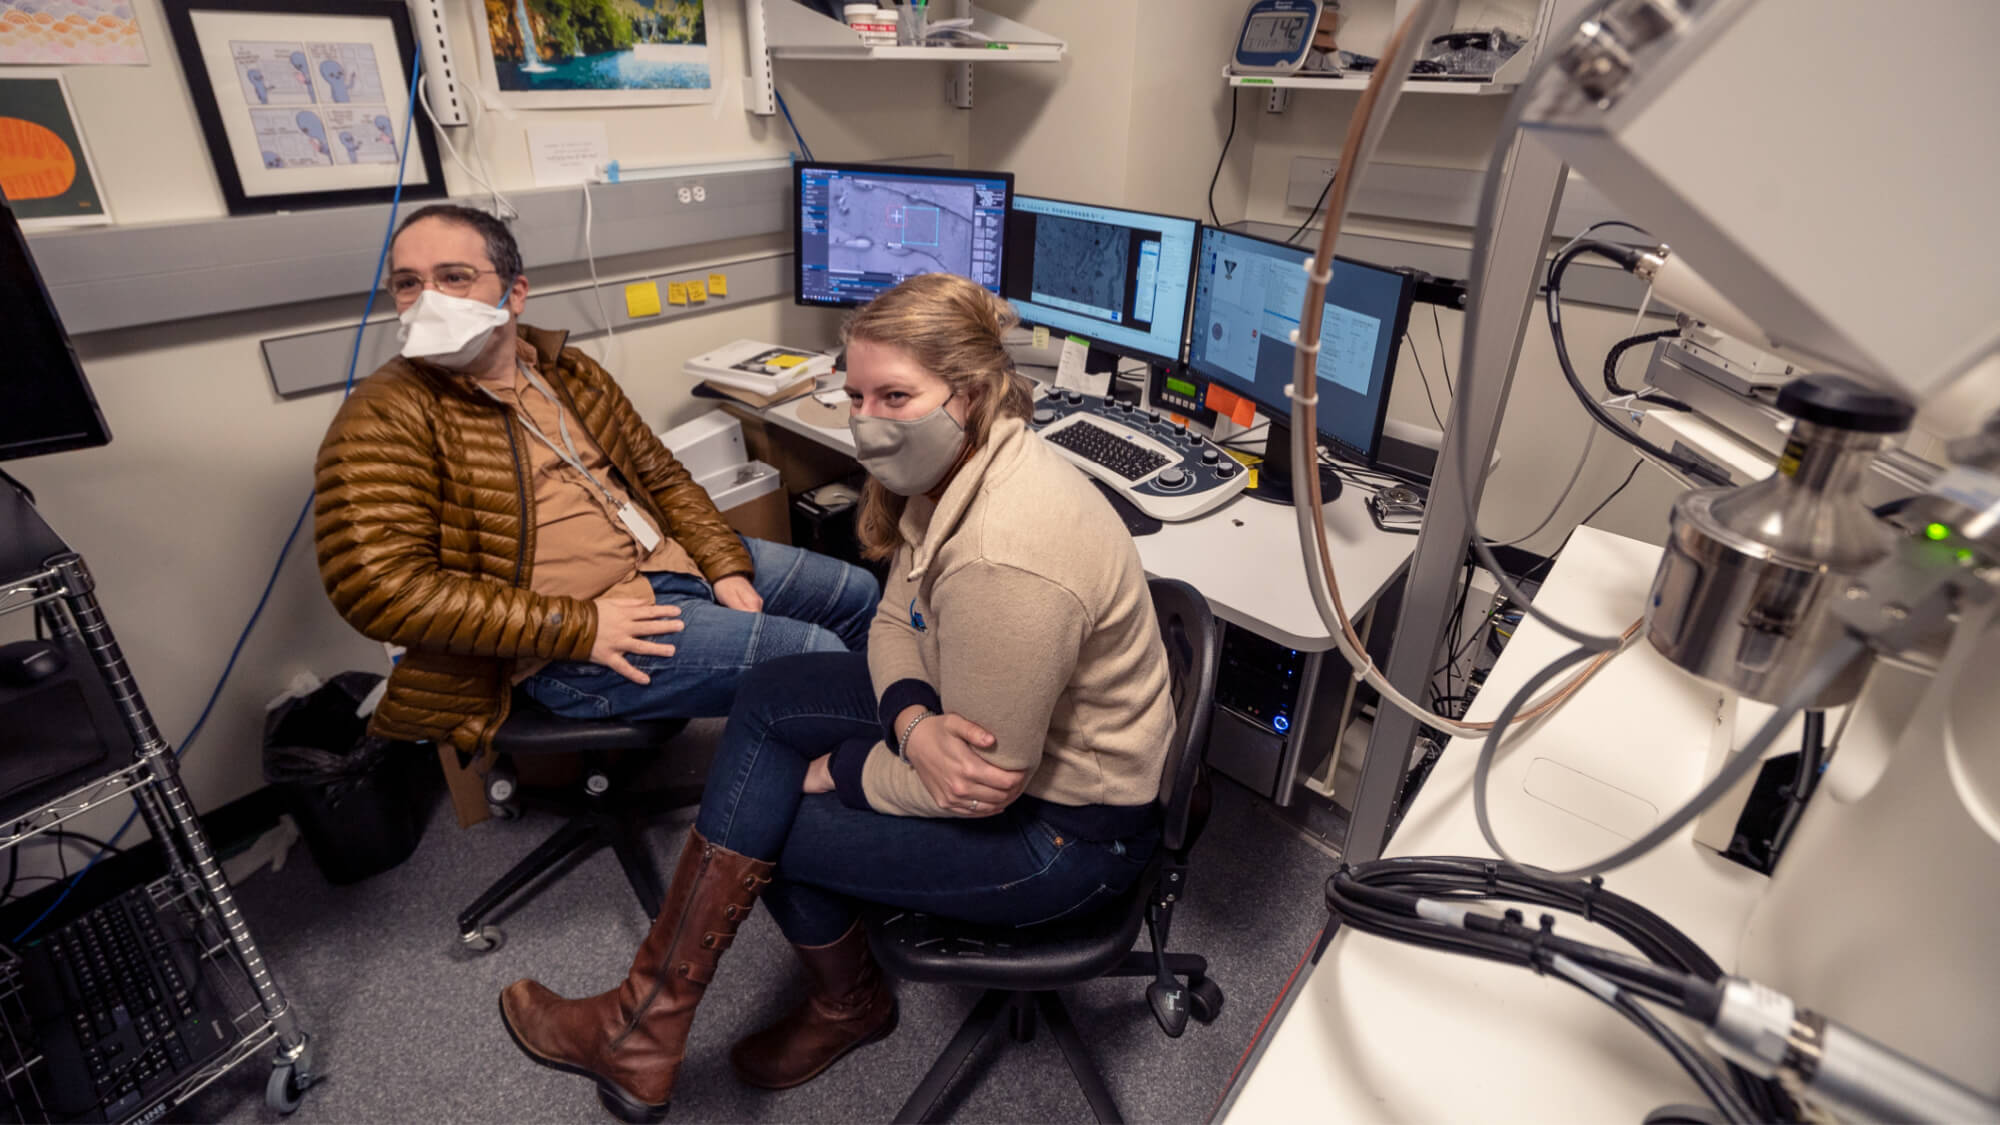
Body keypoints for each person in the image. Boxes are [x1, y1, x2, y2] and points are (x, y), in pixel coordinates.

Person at [496, 273, 1176, 1122]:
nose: (865, 418)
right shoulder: (956, 465)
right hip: (965, 721)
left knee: (781, 813)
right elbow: (893, 615)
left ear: (967, 394)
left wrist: (844, 771)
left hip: (1064, 834)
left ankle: (831, 1005)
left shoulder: (1009, 553)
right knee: (774, 691)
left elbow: (971, 788)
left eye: (895, 395)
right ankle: (648, 1018)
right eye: (855, 393)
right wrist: (910, 720)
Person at [312, 204, 878, 804]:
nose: (430, 299)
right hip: (562, 639)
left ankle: (861, 739)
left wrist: (723, 565)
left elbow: (660, 475)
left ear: (514, 293)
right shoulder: (380, 417)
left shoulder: (566, 371)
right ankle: (841, 789)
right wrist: (579, 628)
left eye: (453, 277)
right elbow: (378, 591)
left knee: (857, 593)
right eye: (408, 284)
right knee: (815, 658)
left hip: (665, 562)